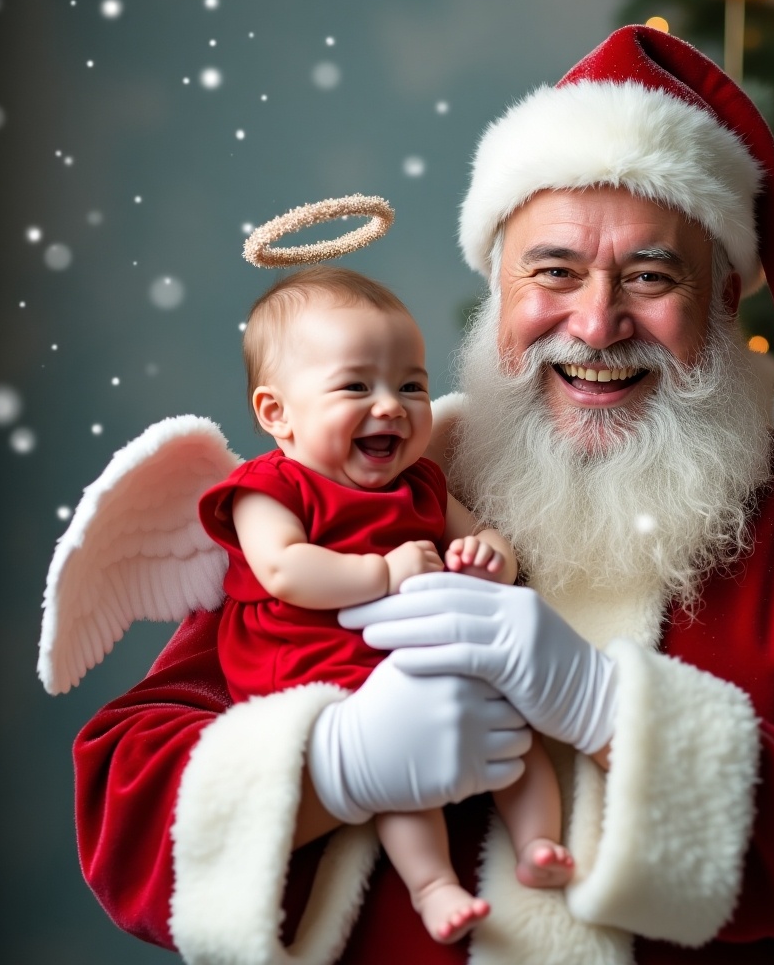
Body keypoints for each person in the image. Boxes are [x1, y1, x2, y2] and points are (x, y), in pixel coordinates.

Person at [72, 26, 774, 964]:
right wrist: (333, 768)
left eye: (650, 276)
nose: (595, 324)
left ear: (725, 302)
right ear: (498, 287)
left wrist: (608, 712)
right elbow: (122, 802)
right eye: (553, 272)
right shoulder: (378, 481)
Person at [198, 265, 574, 944]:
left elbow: (483, 535)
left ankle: (538, 845)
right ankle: (433, 888)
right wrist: (383, 571)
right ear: (275, 412)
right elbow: (284, 570)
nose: (391, 406)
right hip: (328, 671)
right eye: (355, 386)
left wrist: (490, 558)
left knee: (518, 740)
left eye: (411, 385)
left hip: (423, 657)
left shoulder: (423, 481)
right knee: (401, 779)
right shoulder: (269, 488)